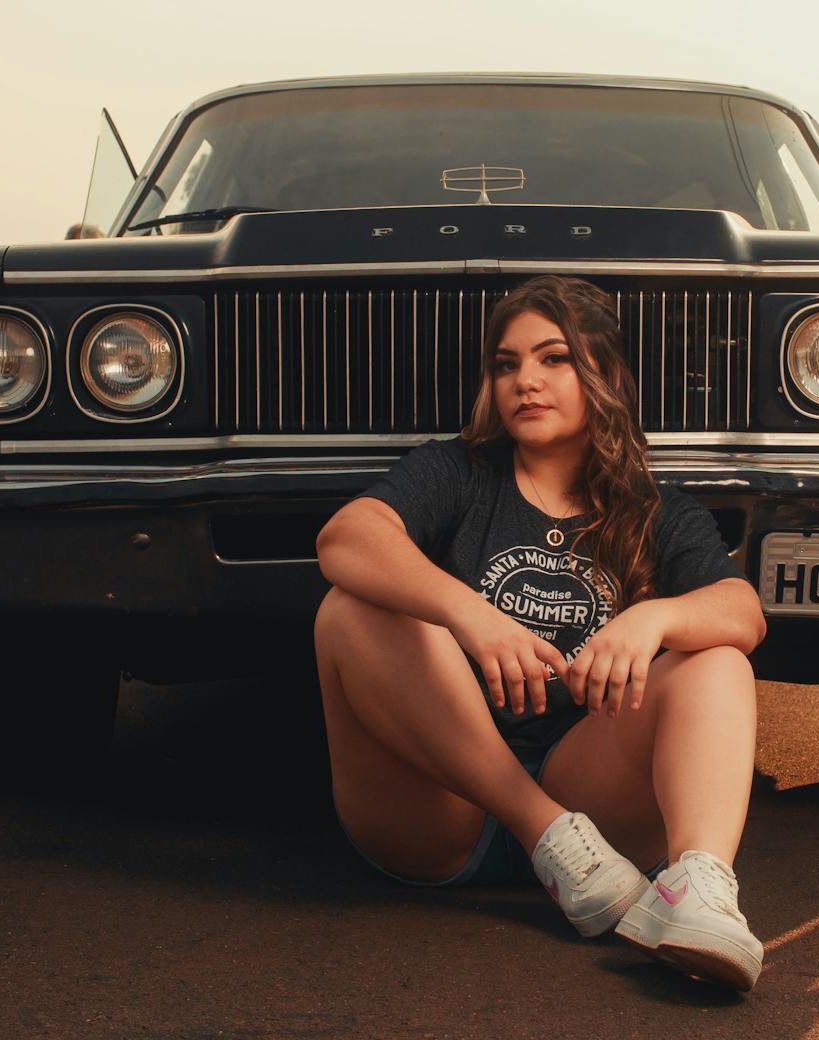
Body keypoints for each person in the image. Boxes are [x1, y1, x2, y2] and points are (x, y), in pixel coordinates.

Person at [313, 274, 768, 991]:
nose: (526, 379)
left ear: (606, 375)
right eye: (507, 363)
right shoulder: (459, 473)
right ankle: (541, 831)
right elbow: (345, 538)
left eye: (553, 359)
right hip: (440, 808)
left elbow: (743, 612)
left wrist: (653, 618)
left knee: (715, 660)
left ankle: (698, 890)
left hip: (592, 804)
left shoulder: (650, 507)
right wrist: (468, 611)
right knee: (351, 608)